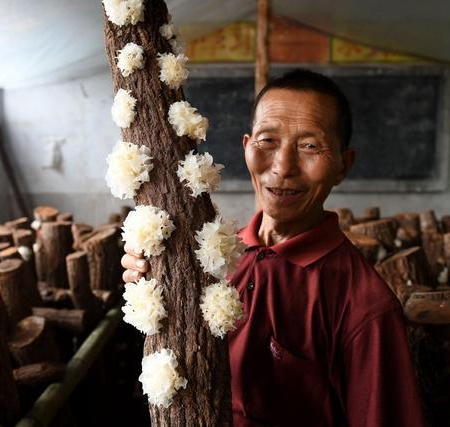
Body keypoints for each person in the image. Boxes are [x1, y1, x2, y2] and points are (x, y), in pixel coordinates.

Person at [122, 69, 426, 427]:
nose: (282, 168)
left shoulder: (364, 305)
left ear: (343, 165)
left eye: (310, 146)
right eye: (267, 141)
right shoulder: (213, 258)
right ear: (247, 146)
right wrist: (152, 281)